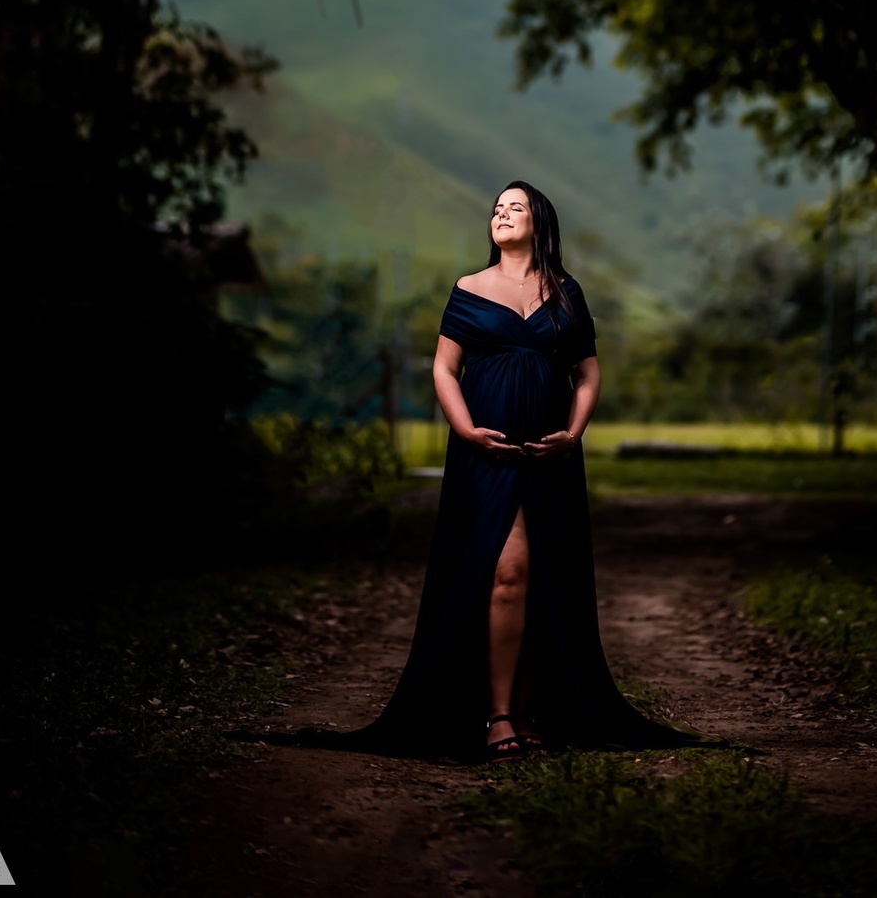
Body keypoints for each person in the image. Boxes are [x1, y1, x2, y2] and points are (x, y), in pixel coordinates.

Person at [284, 180, 711, 762]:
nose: (502, 215)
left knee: (544, 576)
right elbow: (443, 369)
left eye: (516, 207)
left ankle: (532, 708)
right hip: (486, 450)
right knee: (506, 570)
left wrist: (574, 432)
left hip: (549, 454)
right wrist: (463, 430)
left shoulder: (566, 293)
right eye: (496, 209)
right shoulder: (468, 288)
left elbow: (587, 373)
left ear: (540, 221)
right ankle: (497, 714)